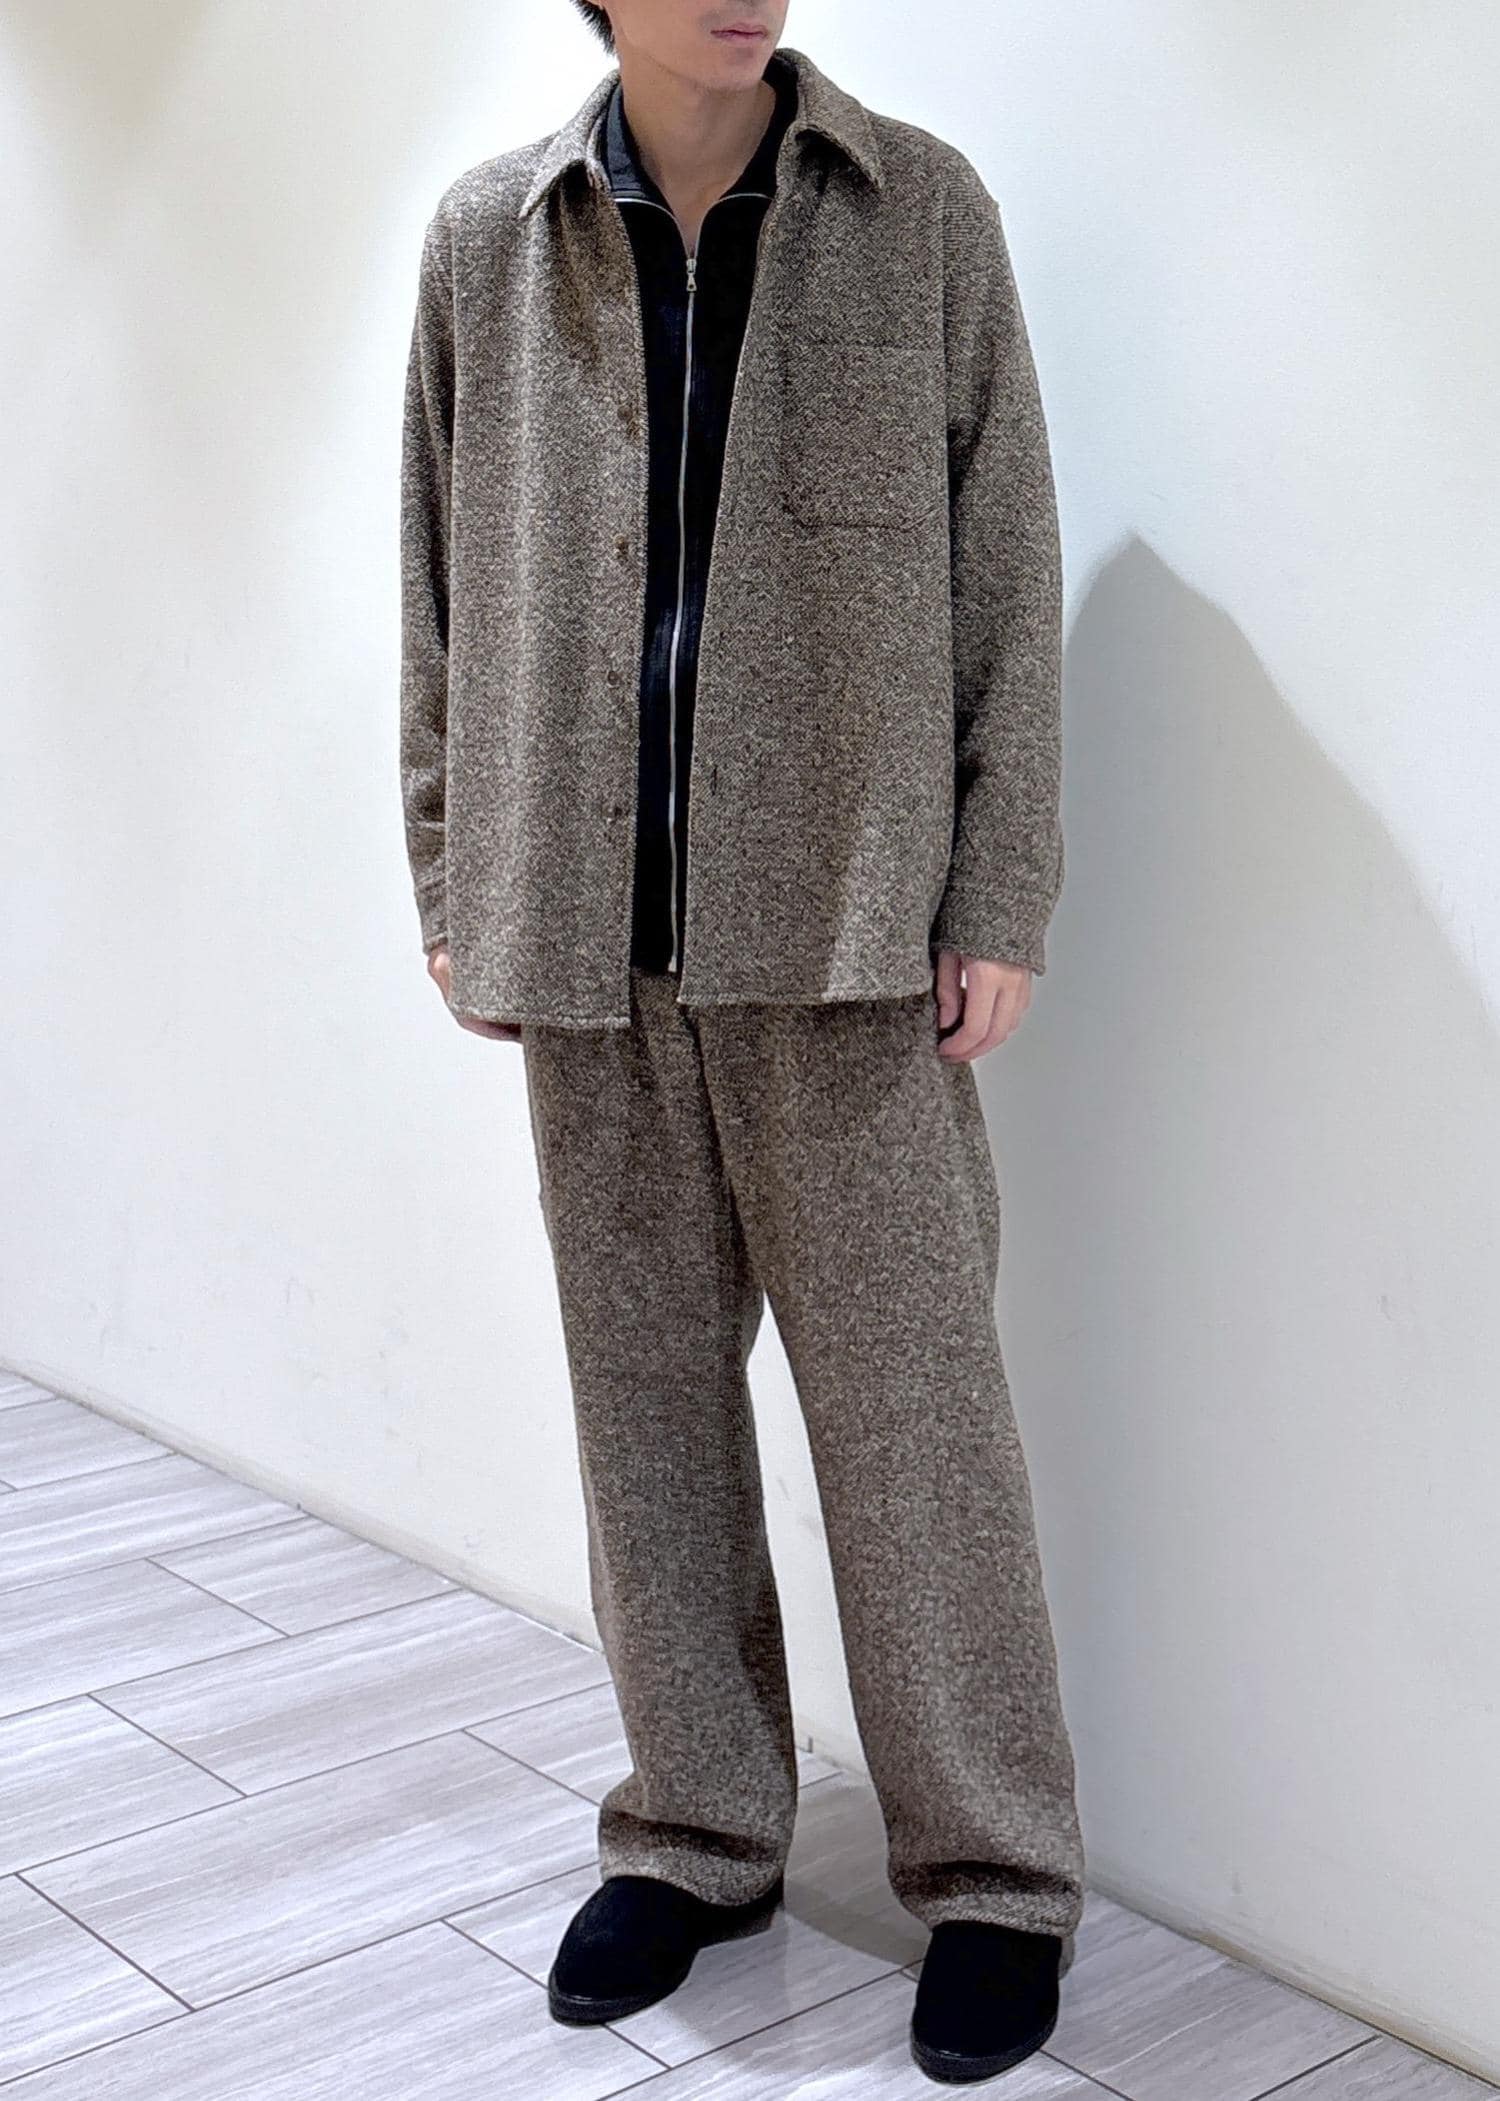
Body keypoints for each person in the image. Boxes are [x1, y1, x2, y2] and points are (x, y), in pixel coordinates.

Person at [398, 0, 1084, 2081]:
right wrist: (454, 868)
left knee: (918, 1433)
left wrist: (999, 888)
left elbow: (1006, 562)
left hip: (851, 937)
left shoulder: (919, 213)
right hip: (582, 936)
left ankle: (997, 1871)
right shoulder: (489, 241)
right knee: (647, 1423)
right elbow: (435, 579)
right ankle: (697, 1831)